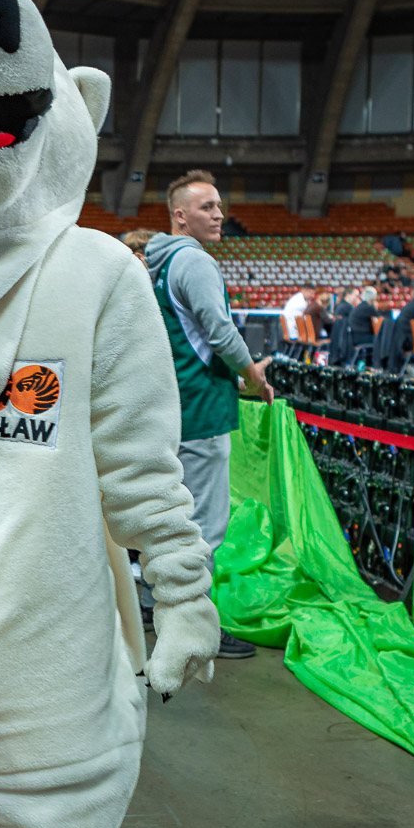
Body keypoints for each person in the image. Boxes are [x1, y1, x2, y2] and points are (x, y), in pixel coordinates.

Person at [143, 170, 272, 661]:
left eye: (219, 206)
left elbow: (188, 343)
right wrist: (252, 375)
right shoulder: (194, 261)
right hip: (202, 410)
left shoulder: (158, 263)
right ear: (181, 216)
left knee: (172, 518)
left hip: (175, 404)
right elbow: (218, 333)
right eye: (207, 207)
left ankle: (159, 604)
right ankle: (195, 627)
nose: (219, 216)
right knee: (203, 527)